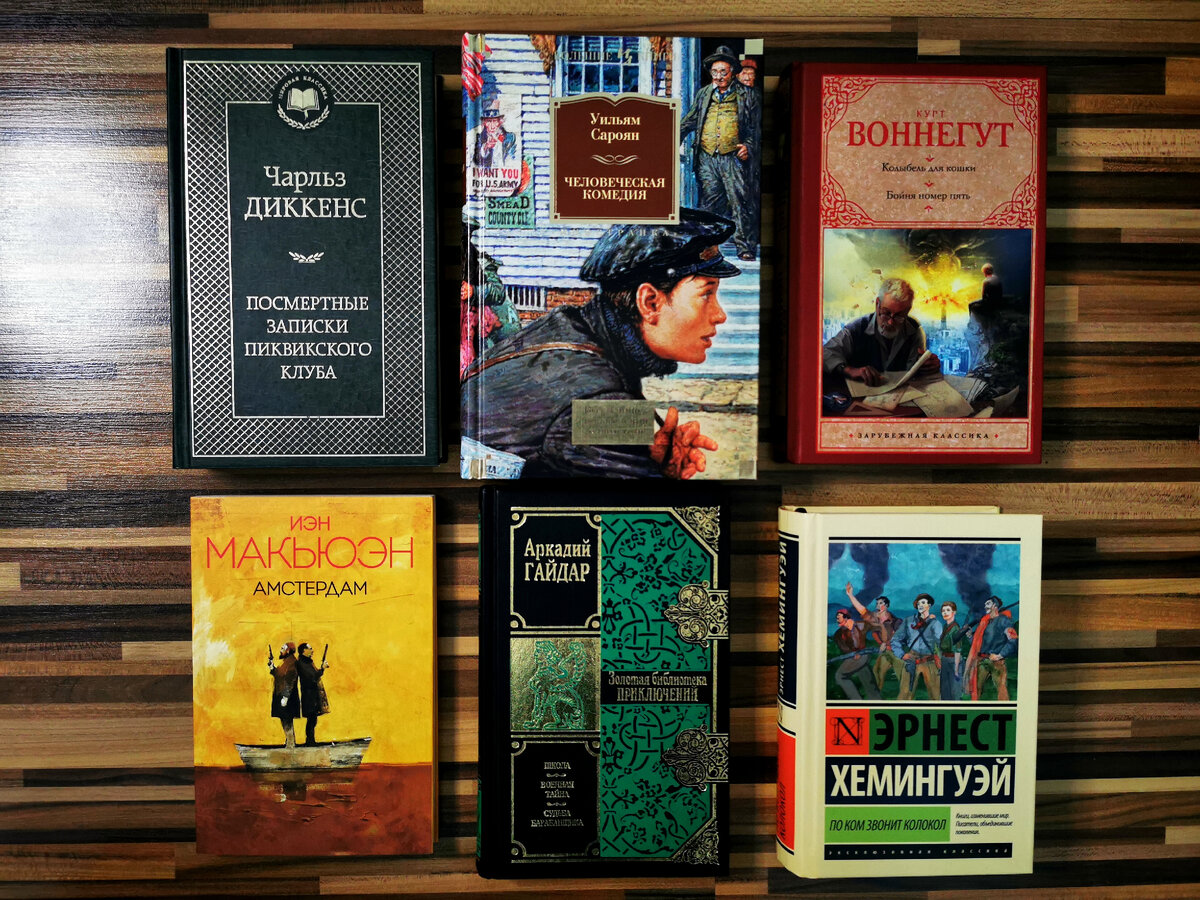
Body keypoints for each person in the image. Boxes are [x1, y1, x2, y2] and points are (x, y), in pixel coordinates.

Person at [461, 207, 736, 478]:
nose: (720, 315)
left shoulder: (567, 326)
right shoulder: (603, 395)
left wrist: (650, 463)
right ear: (649, 302)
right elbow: (633, 505)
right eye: (706, 295)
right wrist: (656, 475)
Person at [679, 46, 761, 261]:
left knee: (740, 200)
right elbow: (690, 120)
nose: (718, 77)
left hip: (733, 157)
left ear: (732, 72)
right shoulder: (704, 94)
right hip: (707, 157)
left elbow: (756, 129)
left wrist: (748, 146)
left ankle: (745, 246)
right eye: (714, 72)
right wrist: (671, 140)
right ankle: (706, 246)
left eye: (723, 72)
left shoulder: (748, 95)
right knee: (709, 204)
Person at [823, 278, 941, 387]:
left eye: (899, 316)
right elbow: (825, 353)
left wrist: (927, 366)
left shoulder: (914, 330)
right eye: (885, 313)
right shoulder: (856, 328)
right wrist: (849, 370)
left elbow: (914, 370)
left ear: (907, 311)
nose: (890, 322)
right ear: (877, 304)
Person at [844, 583, 905, 695]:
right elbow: (862, 610)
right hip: (885, 652)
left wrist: (886, 643)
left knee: (903, 675)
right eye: (877, 603)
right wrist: (850, 595)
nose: (878, 605)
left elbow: (898, 637)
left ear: (886, 606)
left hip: (896, 652)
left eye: (881, 603)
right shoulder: (874, 619)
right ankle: (877, 698)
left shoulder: (896, 621)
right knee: (877, 672)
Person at [891, 593, 943, 701]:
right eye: (918, 603)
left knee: (935, 695)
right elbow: (895, 639)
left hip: (929, 660)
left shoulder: (935, 623)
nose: (920, 605)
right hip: (911, 659)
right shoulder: (908, 621)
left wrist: (940, 658)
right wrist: (901, 654)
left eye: (923, 602)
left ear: (929, 605)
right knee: (905, 694)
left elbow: (941, 644)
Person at [965, 595, 1017, 700]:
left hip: (997, 662)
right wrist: (970, 637)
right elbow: (979, 644)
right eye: (985, 604)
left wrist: (1000, 655)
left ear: (995, 606)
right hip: (982, 661)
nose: (985, 606)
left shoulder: (1004, 620)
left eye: (988, 604)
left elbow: (1013, 640)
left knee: (1001, 690)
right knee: (976, 690)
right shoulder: (984, 623)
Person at [832, 608, 881, 700]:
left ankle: (856, 700)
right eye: (837, 617)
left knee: (840, 676)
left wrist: (882, 642)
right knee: (866, 678)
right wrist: (852, 653)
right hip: (854, 656)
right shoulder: (838, 634)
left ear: (846, 617)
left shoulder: (860, 625)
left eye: (839, 616)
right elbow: (843, 647)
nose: (837, 618)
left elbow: (874, 626)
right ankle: (876, 701)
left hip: (862, 655)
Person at [295, 642, 330, 746]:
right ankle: (310, 741)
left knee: (313, 719)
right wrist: (322, 669)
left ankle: (311, 740)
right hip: (309, 696)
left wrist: (321, 669)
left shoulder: (307, 662)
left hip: (313, 695)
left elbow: (314, 675)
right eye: (309, 648)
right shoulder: (301, 663)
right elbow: (312, 677)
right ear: (304, 651)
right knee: (311, 719)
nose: (312, 650)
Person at [268, 641, 300, 748]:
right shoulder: (286, 662)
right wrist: (272, 668)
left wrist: (285, 696)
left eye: (283, 648)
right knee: (284, 719)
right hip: (282, 694)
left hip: (287, 695)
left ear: (288, 650)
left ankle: (291, 743)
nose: (281, 650)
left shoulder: (292, 662)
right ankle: (289, 742)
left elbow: (290, 680)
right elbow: (279, 675)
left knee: (287, 720)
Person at [473, 102, 517, 168]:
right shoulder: (480, 138)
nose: (492, 125)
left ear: (499, 121)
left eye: (494, 121)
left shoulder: (510, 137)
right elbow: (476, 161)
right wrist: (486, 147)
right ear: (484, 122)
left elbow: (514, 160)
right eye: (489, 121)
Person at [938, 600, 966, 700]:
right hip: (945, 660)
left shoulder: (955, 628)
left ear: (954, 612)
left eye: (948, 610)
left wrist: (956, 669)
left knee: (955, 691)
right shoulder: (945, 626)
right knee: (945, 691)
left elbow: (958, 650)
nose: (945, 613)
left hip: (954, 661)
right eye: (943, 611)